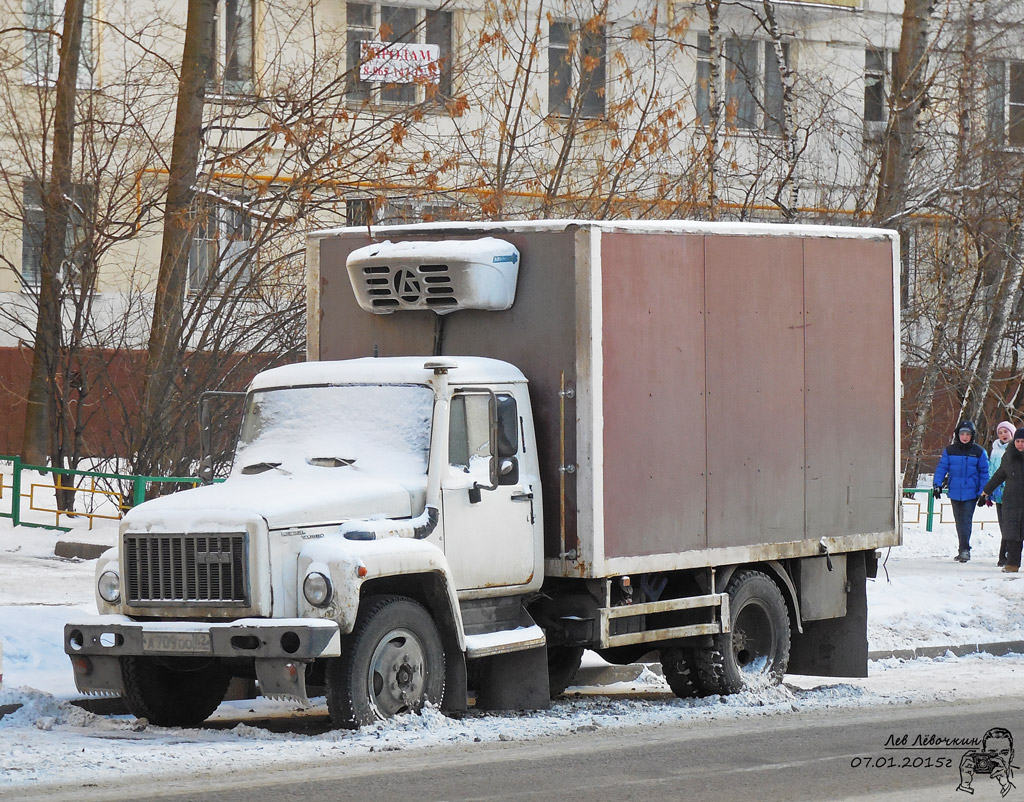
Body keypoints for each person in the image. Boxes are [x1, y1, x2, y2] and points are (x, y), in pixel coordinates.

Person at [933, 420, 989, 562]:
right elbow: (942, 468)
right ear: (958, 435)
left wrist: (984, 492)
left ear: (972, 436)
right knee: (959, 521)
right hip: (955, 491)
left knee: (966, 520)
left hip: (971, 492)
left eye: (968, 434)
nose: (965, 437)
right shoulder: (950, 451)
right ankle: (961, 548)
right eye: (962, 433)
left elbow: (984, 473)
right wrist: (937, 484)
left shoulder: (979, 452)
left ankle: (965, 549)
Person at [981, 426, 1024, 573]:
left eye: (1023, 441)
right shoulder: (1008, 457)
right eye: (1018, 441)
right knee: (1012, 535)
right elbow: (999, 475)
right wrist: (986, 491)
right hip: (1011, 501)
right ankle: (1012, 564)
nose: (1020, 444)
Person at [990, 420, 1016, 567]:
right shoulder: (995, 450)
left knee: (1010, 525)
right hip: (999, 494)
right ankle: (1005, 553)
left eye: (1006, 431)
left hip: (1013, 493)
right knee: (1003, 524)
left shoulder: (1016, 450)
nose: (1003, 435)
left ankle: (1005, 554)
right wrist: (988, 491)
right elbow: (992, 471)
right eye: (1000, 432)